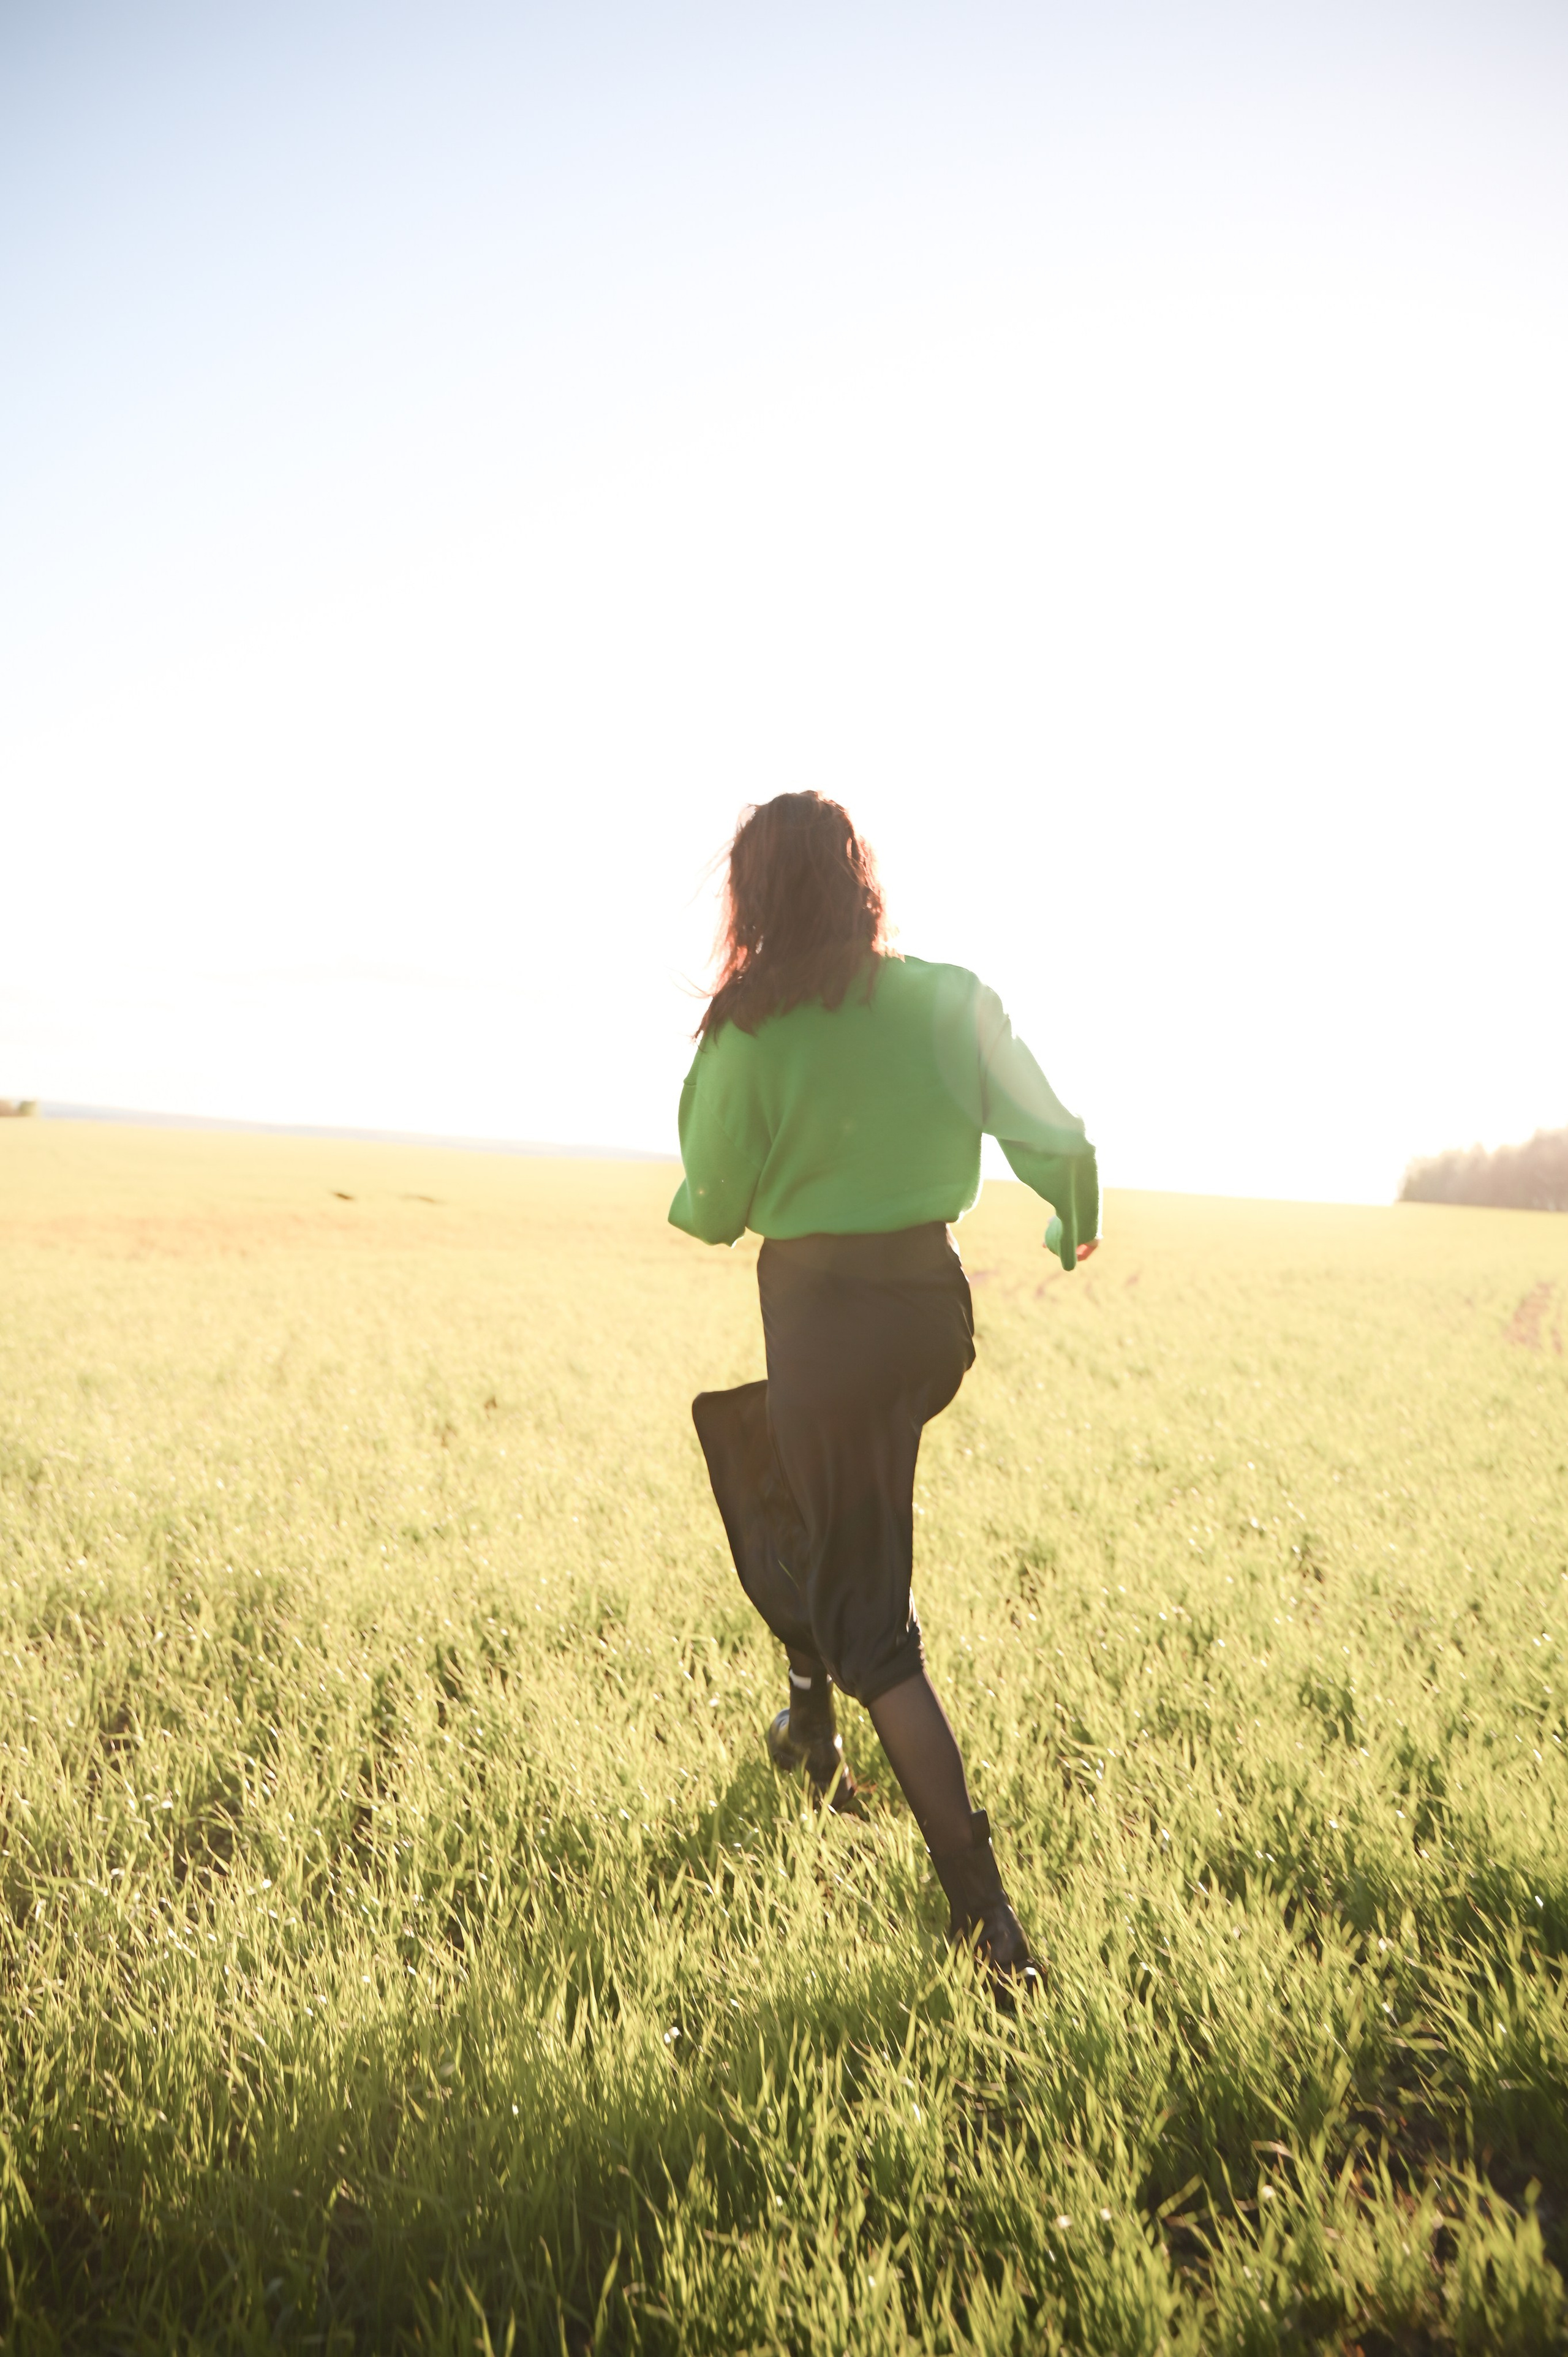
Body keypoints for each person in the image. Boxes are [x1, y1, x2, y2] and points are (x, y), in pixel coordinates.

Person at [669, 792, 1098, 1997]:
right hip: (927, 1319)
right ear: (857, 879)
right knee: (772, 1464)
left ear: (749, 899)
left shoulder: (746, 1031)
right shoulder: (949, 996)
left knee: (870, 1618)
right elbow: (1052, 1134)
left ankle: (991, 1927)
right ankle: (806, 1726)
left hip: (822, 1326)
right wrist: (1073, 1216)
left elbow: (708, 1206)